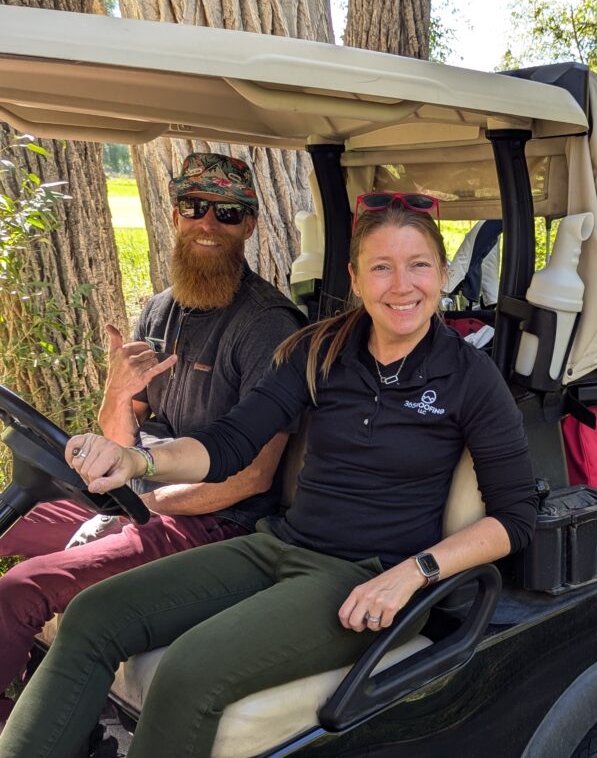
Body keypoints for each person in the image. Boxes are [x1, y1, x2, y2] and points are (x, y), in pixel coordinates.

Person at [0, 192, 539, 758]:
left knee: (191, 669)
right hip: (278, 547)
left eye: (418, 265)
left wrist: (415, 573)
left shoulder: (470, 378)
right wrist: (140, 462)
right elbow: (231, 443)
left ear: (443, 274)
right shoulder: (320, 350)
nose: (402, 285)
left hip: (367, 577)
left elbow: (515, 516)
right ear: (356, 278)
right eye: (382, 267)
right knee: (93, 614)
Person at [0, 152, 304, 725]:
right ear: (174, 214)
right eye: (195, 207)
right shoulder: (161, 310)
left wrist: (144, 503)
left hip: (215, 521)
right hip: (139, 497)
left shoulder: (266, 325)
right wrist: (116, 397)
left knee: (20, 587)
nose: (208, 224)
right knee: (9, 527)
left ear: (251, 225)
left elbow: (252, 477)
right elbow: (120, 443)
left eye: (227, 213)